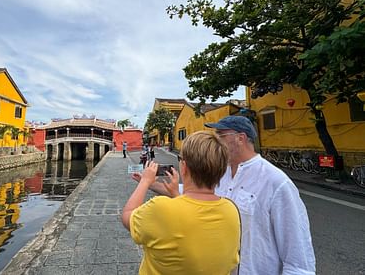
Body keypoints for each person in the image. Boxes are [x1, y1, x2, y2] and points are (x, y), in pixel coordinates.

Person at [133, 116, 316, 275]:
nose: (216, 141)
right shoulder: (221, 172)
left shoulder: (276, 182)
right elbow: (187, 193)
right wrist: (148, 183)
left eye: (220, 136)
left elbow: (299, 260)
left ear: (240, 138)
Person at [122, 131, 241, 275]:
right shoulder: (231, 210)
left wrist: (145, 181)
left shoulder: (161, 208)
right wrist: (177, 195)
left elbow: (127, 216)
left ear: (184, 167)